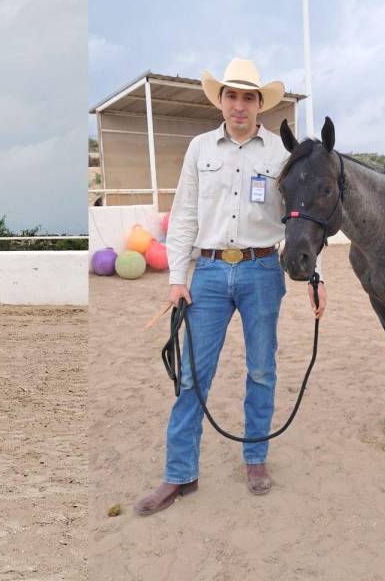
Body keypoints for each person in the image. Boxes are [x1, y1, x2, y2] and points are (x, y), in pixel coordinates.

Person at [135, 58, 326, 515]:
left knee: (262, 369)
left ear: (260, 104)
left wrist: (315, 276)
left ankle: (255, 457)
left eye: (248, 97)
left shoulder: (281, 155)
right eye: (232, 95)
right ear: (220, 99)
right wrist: (178, 279)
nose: (239, 105)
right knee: (192, 376)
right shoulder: (200, 149)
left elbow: (303, 219)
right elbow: (183, 217)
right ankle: (179, 474)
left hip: (263, 271)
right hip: (212, 274)